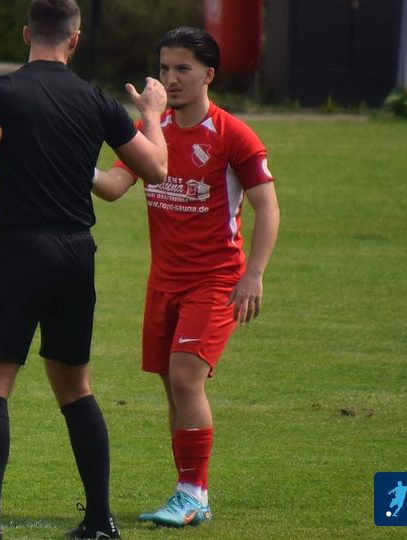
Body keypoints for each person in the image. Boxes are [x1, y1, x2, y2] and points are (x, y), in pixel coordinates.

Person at [0, 1, 169, 538]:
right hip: (76, 254)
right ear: (76, 39)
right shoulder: (96, 100)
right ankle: (100, 521)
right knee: (75, 386)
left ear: (26, 34)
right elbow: (155, 168)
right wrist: (153, 116)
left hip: (20, 249)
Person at [92, 26, 280, 528]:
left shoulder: (233, 135)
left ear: (208, 75)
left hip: (216, 281)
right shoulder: (152, 131)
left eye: (183, 68)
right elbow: (113, 186)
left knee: (185, 376)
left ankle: (193, 493)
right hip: (163, 282)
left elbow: (267, 208)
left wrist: (254, 275)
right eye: (164, 68)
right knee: (172, 386)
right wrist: (70, 161)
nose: (170, 79)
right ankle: (190, 492)